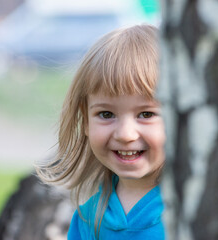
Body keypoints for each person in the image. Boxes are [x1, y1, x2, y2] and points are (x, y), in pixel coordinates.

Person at [37, 24, 166, 239]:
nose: (125, 134)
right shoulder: (88, 219)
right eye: (106, 114)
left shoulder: (200, 211)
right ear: (85, 120)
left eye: (146, 114)